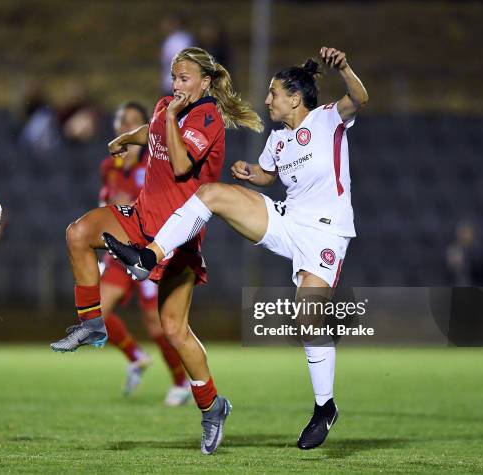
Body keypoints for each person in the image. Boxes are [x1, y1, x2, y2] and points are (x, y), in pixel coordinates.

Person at [103, 46, 368, 450]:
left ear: (295, 99)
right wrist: (251, 173)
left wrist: (345, 67)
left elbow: (360, 99)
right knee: (210, 193)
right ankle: (150, 255)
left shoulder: (328, 120)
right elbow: (268, 175)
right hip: (286, 221)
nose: (267, 100)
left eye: (274, 94)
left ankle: (324, 407)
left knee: (307, 320)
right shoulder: (278, 140)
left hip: (326, 234)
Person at [50, 46, 263, 455]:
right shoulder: (166, 105)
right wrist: (125, 138)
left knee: (174, 331)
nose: (177, 85)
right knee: (77, 234)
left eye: (185, 78)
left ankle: (212, 406)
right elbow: (150, 130)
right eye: (174, 77)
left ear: (204, 81)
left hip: (176, 238)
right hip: (140, 217)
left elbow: (182, 166)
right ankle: (92, 323)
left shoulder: (207, 118)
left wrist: (167, 117)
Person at [97, 102, 192, 405]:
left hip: (148, 252)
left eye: (134, 121)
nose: (126, 126)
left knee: (156, 324)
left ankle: (181, 382)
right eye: (122, 120)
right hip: (118, 253)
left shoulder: (155, 163)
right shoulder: (108, 167)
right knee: (94, 313)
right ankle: (135, 355)